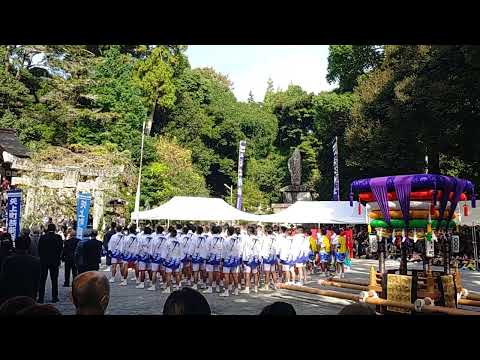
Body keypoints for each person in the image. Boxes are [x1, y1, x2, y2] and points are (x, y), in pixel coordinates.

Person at [38, 223, 63, 303]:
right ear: (55, 229)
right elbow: (60, 249)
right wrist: (59, 258)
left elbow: (40, 249)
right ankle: (54, 297)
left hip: (44, 261)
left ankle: (41, 298)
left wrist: (41, 258)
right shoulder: (58, 237)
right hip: (54, 261)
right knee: (54, 280)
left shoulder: (43, 237)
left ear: (48, 229)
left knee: (42, 280)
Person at [220, 226, 242, 297]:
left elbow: (223, 251)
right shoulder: (237, 240)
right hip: (235, 259)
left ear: (228, 232)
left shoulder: (226, 240)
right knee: (234, 275)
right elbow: (239, 250)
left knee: (226, 275)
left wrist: (222, 260)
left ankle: (226, 291)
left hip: (227, 260)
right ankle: (236, 291)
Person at [240, 226, 262, 294]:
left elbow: (242, 248)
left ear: (249, 231)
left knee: (247, 273)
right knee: (255, 273)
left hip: (247, 258)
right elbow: (259, 249)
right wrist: (259, 258)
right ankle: (255, 288)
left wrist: (241, 255)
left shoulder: (246, 238)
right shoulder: (257, 238)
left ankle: (247, 288)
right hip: (255, 258)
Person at [203, 225, 224, 294]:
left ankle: (210, 288)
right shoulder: (222, 238)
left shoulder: (209, 238)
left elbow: (206, 249)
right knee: (217, 272)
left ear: (212, 231)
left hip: (210, 258)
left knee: (210, 273)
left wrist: (205, 257)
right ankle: (217, 287)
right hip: (219, 257)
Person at [147, 225, 168, 291]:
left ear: (157, 231)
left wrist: (151, 255)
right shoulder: (166, 239)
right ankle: (164, 284)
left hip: (155, 257)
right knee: (163, 272)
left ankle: (153, 286)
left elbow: (151, 248)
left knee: (154, 272)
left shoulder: (154, 239)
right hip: (163, 257)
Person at [163, 228, 183, 294]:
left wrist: (163, 259)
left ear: (171, 234)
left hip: (169, 259)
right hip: (177, 259)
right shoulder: (179, 242)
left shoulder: (167, 242)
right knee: (177, 274)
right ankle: (177, 287)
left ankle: (168, 288)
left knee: (168, 274)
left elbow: (165, 252)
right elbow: (181, 252)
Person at [189, 225, 207, 290]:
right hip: (203, 256)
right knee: (203, 271)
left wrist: (190, 255)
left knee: (195, 271)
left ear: (197, 231)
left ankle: (195, 285)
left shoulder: (194, 238)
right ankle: (204, 284)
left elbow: (191, 248)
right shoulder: (205, 238)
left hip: (195, 256)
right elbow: (206, 248)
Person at [260, 225, 278, 291]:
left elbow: (262, 247)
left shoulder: (265, 238)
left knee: (267, 273)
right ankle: (275, 285)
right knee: (273, 272)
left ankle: (266, 286)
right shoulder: (275, 238)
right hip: (273, 256)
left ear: (266, 231)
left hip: (267, 257)